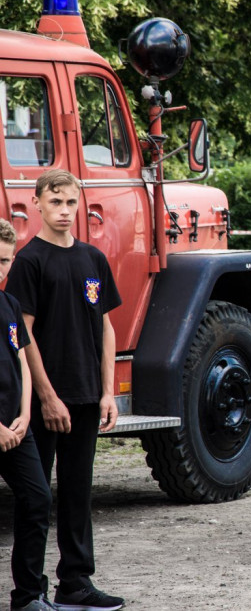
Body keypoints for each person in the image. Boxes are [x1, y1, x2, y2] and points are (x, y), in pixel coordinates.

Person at [6, 169, 123, 610]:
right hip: (45, 400)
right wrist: (48, 396)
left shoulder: (93, 259)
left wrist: (107, 392)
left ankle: (75, 583)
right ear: (36, 204)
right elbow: (23, 336)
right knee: (37, 497)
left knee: (79, 492)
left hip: (87, 395)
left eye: (71, 203)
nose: (64, 211)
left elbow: (107, 329)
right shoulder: (30, 261)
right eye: (55, 202)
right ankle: (30, 593)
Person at [0, 218, 54, 611]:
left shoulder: (10, 304)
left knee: (37, 499)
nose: (0, 269)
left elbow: (21, 360)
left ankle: (28, 596)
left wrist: (23, 415)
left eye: (5, 262)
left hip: (17, 427)